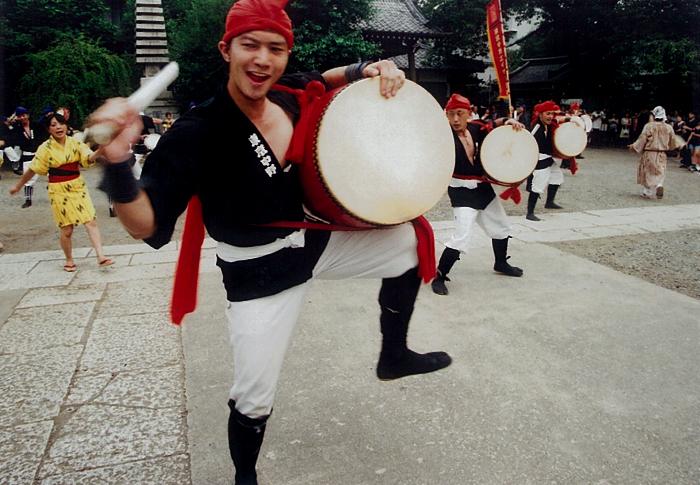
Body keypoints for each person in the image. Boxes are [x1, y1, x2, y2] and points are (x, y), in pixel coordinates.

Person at [88, 1, 451, 483]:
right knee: (254, 395)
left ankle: (394, 354)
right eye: (250, 46)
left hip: (309, 243)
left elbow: (321, 76)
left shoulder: (286, 96)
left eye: (275, 49)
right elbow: (146, 224)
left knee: (409, 243)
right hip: (258, 271)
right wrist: (116, 162)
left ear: (285, 55)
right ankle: (245, 475)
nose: (263, 59)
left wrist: (369, 67)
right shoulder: (198, 131)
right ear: (227, 49)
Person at [431, 94, 524, 296]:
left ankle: (500, 263)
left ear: (469, 114)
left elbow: (493, 123)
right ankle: (439, 275)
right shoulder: (441, 136)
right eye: (450, 115)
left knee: (501, 226)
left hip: (483, 189)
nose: (455, 119)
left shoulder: (476, 128)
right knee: (462, 236)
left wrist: (510, 122)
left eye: (459, 114)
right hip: (461, 192)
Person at [9, 113, 114, 271]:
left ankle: (100, 256)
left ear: (66, 125)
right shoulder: (45, 148)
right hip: (58, 189)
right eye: (53, 125)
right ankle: (69, 259)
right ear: (48, 129)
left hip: (77, 185)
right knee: (67, 229)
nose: (58, 127)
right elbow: (33, 170)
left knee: (90, 220)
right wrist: (18, 186)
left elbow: (88, 158)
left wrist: (100, 150)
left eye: (61, 123)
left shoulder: (75, 143)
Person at [628, 106, 684, 199]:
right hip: (662, 153)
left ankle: (647, 192)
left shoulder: (649, 126)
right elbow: (673, 141)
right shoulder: (669, 127)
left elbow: (642, 138)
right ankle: (659, 185)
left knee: (647, 171)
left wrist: (634, 146)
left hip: (649, 152)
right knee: (660, 171)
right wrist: (673, 146)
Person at [526, 101, 563, 221]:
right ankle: (530, 213)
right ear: (540, 114)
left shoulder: (549, 124)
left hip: (548, 157)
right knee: (538, 184)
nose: (550, 116)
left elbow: (561, 119)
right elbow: (527, 141)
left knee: (557, 177)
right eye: (548, 113)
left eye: (552, 114)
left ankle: (549, 202)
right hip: (539, 159)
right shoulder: (536, 127)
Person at [10, 106, 46, 207]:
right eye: (19, 116)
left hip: (40, 154)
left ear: (28, 115)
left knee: (53, 173)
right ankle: (28, 199)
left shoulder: (36, 126)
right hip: (27, 156)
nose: (22, 117)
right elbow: (12, 138)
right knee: (28, 179)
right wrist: (11, 124)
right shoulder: (17, 129)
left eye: (23, 115)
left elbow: (44, 135)